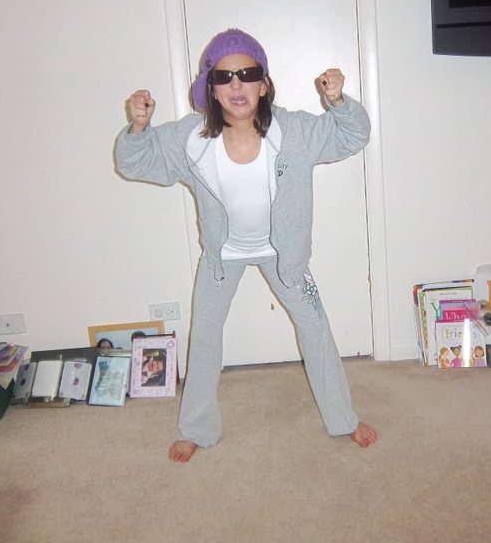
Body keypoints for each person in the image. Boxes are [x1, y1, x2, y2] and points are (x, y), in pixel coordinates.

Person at [115, 28, 378, 463]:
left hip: (285, 258)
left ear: (264, 84)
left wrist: (337, 102)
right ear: (211, 88)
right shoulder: (191, 139)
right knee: (204, 337)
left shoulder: (294, 131)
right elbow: (134, 162)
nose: (236, 85)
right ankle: (196, 428)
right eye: (224, 77)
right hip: (222, 259)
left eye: (247, 74)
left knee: (316, 328)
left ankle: (343, 419)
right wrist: (139, 127)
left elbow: (354, 136)